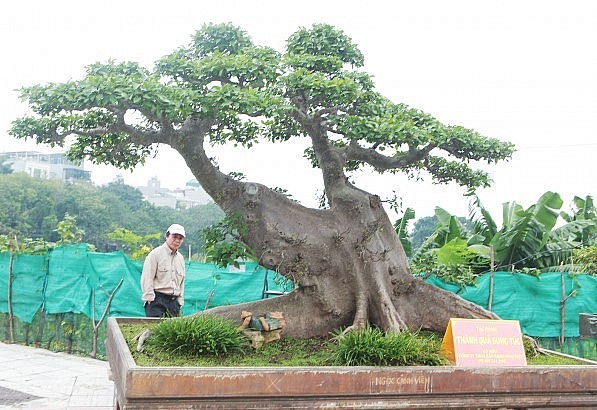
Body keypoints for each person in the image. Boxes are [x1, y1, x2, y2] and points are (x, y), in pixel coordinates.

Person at [140, 224, 186, 317]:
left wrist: (180, 301)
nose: (177, 240)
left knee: (173, 331)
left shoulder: (180, 258)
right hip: (157, 301)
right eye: (174, 237)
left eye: (180, 238)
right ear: (167, 236)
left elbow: (181, 282)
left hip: (174, 303)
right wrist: (149, 298)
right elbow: (147, 277)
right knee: (155, 330)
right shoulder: (155, 254)